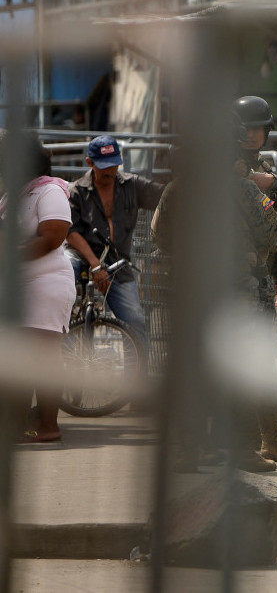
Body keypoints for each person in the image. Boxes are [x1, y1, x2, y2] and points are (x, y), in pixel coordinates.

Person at [1, 137, 73, 443]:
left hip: (45, 284)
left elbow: (53, 236)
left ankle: (48, 426)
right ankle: (15, 425)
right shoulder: (12, 195)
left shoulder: (50, 190)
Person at [65, 135, 167, 345]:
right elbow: (71, 232)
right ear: (90, 163)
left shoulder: (132, 185)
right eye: (103, 167)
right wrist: (94, 264)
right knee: (62, 291)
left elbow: (165, 197)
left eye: (114, 165)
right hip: (82, 257)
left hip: (117, 262)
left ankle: (138, 375)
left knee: (135, 323)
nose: (110, 171)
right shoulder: (76, 191)